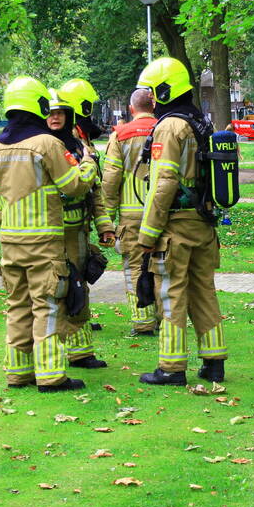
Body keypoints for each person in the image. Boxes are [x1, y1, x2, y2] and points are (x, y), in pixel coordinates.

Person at [0, 76, 99, 393]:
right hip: (45, 246)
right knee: (47, 306)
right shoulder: (48, 144)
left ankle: (18, 373)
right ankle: (51, 375)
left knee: (17, 307)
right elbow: (72, 186)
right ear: (38, 105)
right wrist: (88, 165)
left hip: (10, 244)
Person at [135, 57, 227, 385]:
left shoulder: (169, 126)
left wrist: (147, 235)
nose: (151, 98)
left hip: (175, 227)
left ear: (164, 89)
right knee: (204, 291)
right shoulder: (200, 122)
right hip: (204, 224)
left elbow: (163, 183)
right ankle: (214, 363)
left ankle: (171, 369)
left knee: (171, 293)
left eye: (153, 91)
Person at [48, 79, 115, 369]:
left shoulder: (78, 146)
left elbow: (95, 191)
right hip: (48, 234)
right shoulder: (41, 147)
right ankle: (50, 355)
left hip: (77, 233)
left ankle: (81, 353)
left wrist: (105, 227)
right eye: (50, 113)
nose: (55, 117)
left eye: (60, 112)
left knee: (79, 289)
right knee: (53, 291)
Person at [101, 88, 158, 337]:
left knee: (135, 266)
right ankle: (166, 318)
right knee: (164, 267)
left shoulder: (120, 136)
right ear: (153, 107)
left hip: (132, 216)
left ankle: (142, 321)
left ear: (131, 109)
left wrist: (107, 219)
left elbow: (111, 181)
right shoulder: (166, 129)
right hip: (165, 213)